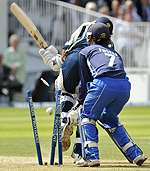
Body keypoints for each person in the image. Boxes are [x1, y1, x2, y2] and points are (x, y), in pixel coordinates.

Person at [39, 17, 114, 162]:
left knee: (66, 93)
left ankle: (64, 119)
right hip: (89, 68)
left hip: (71, 61)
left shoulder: (84, 26)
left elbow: (65, 53)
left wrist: (54, 59)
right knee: (87, 112)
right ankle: (80, 153)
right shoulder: (108, 44)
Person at [75, 22, 147, 167]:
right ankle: (135, 154)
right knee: (109, 118)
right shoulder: (115, 53)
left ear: (92, 37)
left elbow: (86, 81)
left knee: (87, 116)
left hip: (104, 84)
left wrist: (80, 101)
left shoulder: (85, 51)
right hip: (124, 87)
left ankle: (91, 157)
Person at [3, 34, 26, 105]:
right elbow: (5, 62)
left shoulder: (21, 52)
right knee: (9, 89)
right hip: (9, 75)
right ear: (11, 42)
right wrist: (12, 66)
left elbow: (23, 61)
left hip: (19, 76)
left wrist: (16, 66)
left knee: (18, 92)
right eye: (14, 42)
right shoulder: (7, 51)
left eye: (17, 42)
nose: (15, 43)